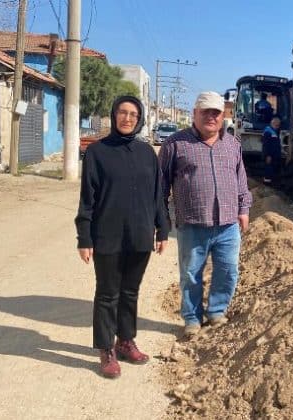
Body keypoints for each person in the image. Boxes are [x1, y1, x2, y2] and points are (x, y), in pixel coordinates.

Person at [75, 95, 170, 379]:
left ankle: (125, 341)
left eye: (132, 114)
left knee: (130, 291)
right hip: (107, 236)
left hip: (140, 236)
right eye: (122, 112)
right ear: (114, 115)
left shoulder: (146, 153)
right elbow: (87, 200)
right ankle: (106, 349)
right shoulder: (97, 153)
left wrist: (162, 228)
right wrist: (84, 237)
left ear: (139, 118)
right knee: (107, 294)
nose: (127, 118)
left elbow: (157, 197)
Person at [159, 91, 252, 338]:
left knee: (228, 270)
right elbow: (161, 184)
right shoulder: (175, 144)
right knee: (191, 274)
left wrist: (244, 209)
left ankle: (216, 311)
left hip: (228, 223)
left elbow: (241, 179)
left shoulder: (233, 145)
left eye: (216, 113)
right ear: (195, 114)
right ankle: (192, 318)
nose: (211, 117)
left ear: (223, 116)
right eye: (206, 112)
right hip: (192, 223)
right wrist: (161, 218)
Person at [262, 117, 282, 185]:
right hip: (270, 156)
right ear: (272, 123)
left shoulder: (273, 131)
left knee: (272, 171)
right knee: (268, 171)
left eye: (278, 125)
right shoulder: (268, 132)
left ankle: (270, 184)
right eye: (277, 125)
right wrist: (268, 155)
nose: (278, 127)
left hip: (274, 156)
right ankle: (266, 185)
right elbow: (266, 145)